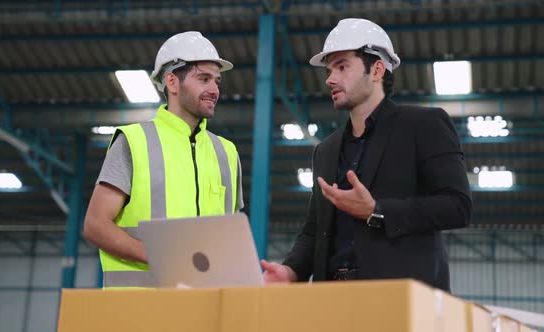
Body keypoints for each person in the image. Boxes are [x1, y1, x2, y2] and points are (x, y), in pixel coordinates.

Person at [260, 18, 471, 291]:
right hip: (334, 301)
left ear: (377, 70)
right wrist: (291, 270)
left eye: (342, 66)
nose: (330, 79)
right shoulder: (326, 151)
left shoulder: (423, 125)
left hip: (400, 301)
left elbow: (458, 207)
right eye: (329, 70)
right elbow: (315, 231)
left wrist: (376, 211)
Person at [84, 31, 244, 288]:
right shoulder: (134, 141)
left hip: (204, 309)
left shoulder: (226, 152)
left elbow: (230, 238)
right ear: (172, 82)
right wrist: (158, 256)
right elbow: (95, 225)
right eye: (204, 78)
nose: (214, 90)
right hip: (139, 310)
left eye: (217, 81)